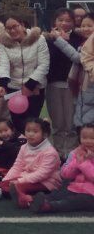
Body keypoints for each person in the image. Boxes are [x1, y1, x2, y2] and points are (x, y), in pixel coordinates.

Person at [0, 118, 61, 209]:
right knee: (9, 183)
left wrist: (20, 180)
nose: (30, 134)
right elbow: (17, 166)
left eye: (35, 131)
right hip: (27, 177)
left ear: (44, 134)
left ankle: (22, 199)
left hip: (47, 183)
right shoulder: (24, 147)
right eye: (28, 131)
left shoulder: (50, 152)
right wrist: (6, 180)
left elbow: (42, 174)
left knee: (17, 186)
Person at [0, 15, 50, 132]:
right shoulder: (4, 43)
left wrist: (30, 85)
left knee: (32, 123)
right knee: (17, 123)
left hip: (35, 88)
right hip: (14, 88)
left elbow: (44, 64)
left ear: (23, 25)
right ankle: (20, 143)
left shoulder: (39, 39)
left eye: (15, 26)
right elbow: (3, 64)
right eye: (8, 28)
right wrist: (2, 84)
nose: (12, 30)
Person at [45, 8, 86, 156]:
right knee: (57, 122)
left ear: (73, 22)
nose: (64, 23)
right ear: (54, 21)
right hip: (53, 84)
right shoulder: (48, 39)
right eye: (60, 20)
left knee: (71, 122)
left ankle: (71, 154)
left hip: (72, 84)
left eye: (68, 20)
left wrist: (63, 40)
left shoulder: (78, 38)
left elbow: (77, 58)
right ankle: (58, 153)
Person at [30, 123, 94, 213]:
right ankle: (30, 201)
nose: (88, 141)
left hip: (90, 194)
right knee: (58, 194)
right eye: (84, 137)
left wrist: (84, 163)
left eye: (92, 138)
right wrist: (76, 163)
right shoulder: (75, 153)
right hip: (74, 187)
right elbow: (65, 174)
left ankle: (49, 206)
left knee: (75, 201)